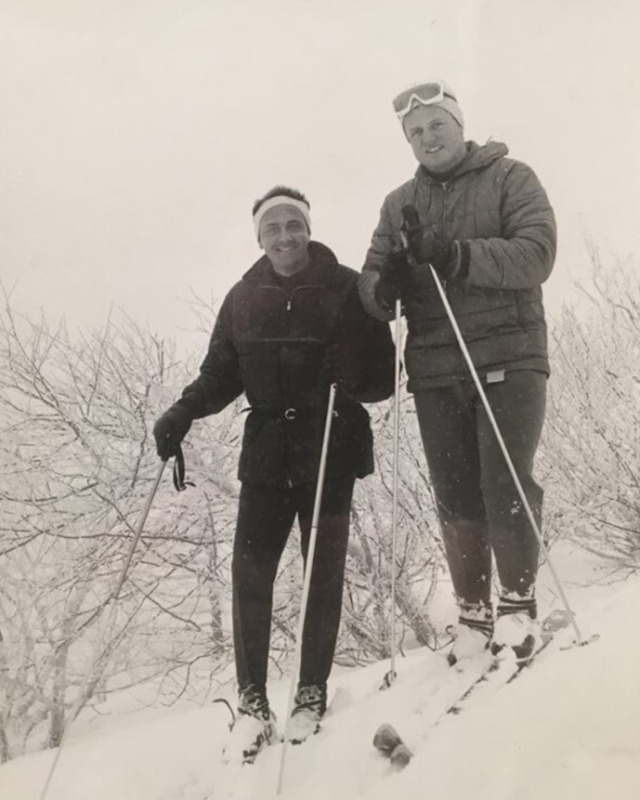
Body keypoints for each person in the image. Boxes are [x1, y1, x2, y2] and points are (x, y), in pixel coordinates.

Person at [153, 186, 394, 761]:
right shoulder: (243, 297)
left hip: (330, 444)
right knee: (250, 575)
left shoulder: (346, 287)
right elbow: (221, 373)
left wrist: (354, 371)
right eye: (272, 228)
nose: (285, 236)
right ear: (258, 237)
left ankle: (310, 693)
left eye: (293, 224)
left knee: (322, 577)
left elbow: (385, 379)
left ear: (308, 227)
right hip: (265, 454)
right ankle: (253, 702)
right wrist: (183, 410)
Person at [359, 81, 556, 666]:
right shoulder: (397, 204)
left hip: (509, 354)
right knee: (455, 491)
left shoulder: (510, 176)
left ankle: (517, 605)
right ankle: (473, 615)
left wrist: (455, 254)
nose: (427, 138)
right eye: (415, 133)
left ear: (458, 124)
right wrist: (383, 286)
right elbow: (369, 284)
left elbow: (537, 254)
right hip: (437, 368)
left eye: (436, 125)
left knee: (504, 479)